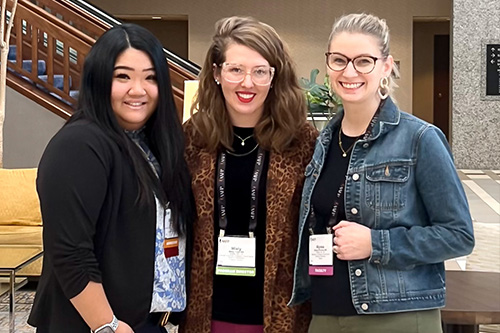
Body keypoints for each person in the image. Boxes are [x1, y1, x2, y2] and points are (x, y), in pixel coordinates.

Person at [289, 13, 474, 333]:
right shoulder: (323, 143)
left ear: (385, 66)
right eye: (339, 60)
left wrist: (377, 243)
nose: (349, 72)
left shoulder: (419, 139)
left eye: (364, 61)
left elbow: (458, 235)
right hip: (324, 315)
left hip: (396, 317)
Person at [28, 24, 195, 333]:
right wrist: (107, 325)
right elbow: (71, 253)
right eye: (123, 76)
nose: (138, 89)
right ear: (99, 79)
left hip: (144, 324)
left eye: (150, 77)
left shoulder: (151, 145)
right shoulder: (80, 145)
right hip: (96, 326)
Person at [180, 16, 316, 333]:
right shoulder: (193, 137)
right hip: (206, 309)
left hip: (282, 311)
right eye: (236, 69)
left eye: (260, 71)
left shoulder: (301, 141)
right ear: (216, 73)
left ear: (274, 76)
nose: (247, 83)